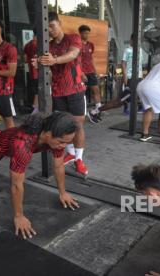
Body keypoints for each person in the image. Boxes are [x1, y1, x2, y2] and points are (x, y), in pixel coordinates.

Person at [35, 12, 88, 176]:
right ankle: (70, 153)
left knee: (77, 126)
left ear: (59, 23)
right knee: (62, 126)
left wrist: (54, 60)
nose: (50, 30)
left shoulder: (73, 38)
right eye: (47, 28)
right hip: (57, 92)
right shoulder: (47, 46)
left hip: (75, 90)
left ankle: (78, 159)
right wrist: (38, 63)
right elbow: (46, 69)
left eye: (52, 26)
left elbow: (73, 54)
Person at [89, 80, 160, 122]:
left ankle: (97, 112)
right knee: (116, 103)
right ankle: (94, 112)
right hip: (135, 91)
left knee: (117, 104)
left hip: (139, 94)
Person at [78, 25, 102, 123]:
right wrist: (80, 73)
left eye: (88, 33)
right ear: (80, 33)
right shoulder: (77, 45)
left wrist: (96, 72)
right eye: (85, 33)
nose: (87, 35)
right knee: (81, 94)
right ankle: (81, 114)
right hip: (81, 73)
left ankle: (98, 111)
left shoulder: (90, 45)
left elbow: (91, 59)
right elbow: (76, 60)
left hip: (91, 72)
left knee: (96, 91)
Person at [121, 34, 144, 114]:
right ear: (131, 40)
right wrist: (125, 76)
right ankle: (126, 107)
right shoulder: (127, 50)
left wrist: (142, 75)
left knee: (139, 91)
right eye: (134, 40)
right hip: (129, 75)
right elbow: (123, 63)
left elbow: (140, 64)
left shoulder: (140, 50)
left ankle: (140, 107)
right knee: (128, 92)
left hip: (139, 75)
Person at [23, 31, 39, 114]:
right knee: (39, 92)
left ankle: (34, 109)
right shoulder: (38, 44)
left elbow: (25, 59)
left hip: (32, 72)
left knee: (36, 91)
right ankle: (35, 111)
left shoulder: (27, 45)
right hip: (39, 72)